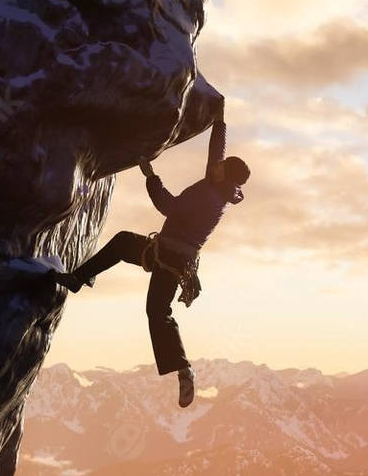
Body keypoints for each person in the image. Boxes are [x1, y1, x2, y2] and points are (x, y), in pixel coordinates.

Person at [54, 106, 248, 408]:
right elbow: (216, 155)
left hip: (172, 259)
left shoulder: (208, 199)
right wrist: (219, 121)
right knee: (121, 245)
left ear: (226, 178)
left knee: (158, 312)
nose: (218, 166)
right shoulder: (218, 184)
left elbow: (168, 207)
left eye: (223, 167)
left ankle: (183, 368)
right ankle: (79, 278)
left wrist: (150, 176)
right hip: (167, 252)